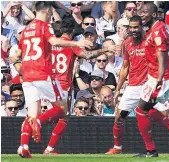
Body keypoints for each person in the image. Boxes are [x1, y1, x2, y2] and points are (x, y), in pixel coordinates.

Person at [16, 1, 94, 158]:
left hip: (27, 76)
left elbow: (19, 52)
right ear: (45, 10)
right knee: (62, 109)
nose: (52, 14)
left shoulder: (25, 30)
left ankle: (23, 146)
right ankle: (40, 124)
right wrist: (76, 43)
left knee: (32, 114)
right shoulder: (44, 26)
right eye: (51, 11)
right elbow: (54, 41)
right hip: (43, 73)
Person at [35, 16, 117, 155]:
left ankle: (45, 141)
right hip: (62, 85)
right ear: (73, 30)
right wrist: (104, 50)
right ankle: (48, 144)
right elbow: (88, 55)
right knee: (64, 117)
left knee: (55, 115)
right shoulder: (72, 44)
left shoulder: (51, 42)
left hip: (47, 82)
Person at [134, 3, 169, 157]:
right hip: (157, 76)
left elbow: (162, 54)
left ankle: (151, 150)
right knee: (148, 109)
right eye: (141, 12)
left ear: (154, 14)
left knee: (140, 110)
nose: (142, 14)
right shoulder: (154, 29)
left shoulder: (158, 31)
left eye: (145, 12)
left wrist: (159, 77)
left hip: (161, 77)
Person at [105, 15, 148, 154]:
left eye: (136, 27)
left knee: (165, 114)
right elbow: (125, 67)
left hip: (149, 85)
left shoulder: (150, 40)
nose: (134, 30)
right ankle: (117, 147)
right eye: (131, 27)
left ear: (142, 27)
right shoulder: (127, 43)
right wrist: (118, 88)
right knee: (119, 116)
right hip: (133, 86)